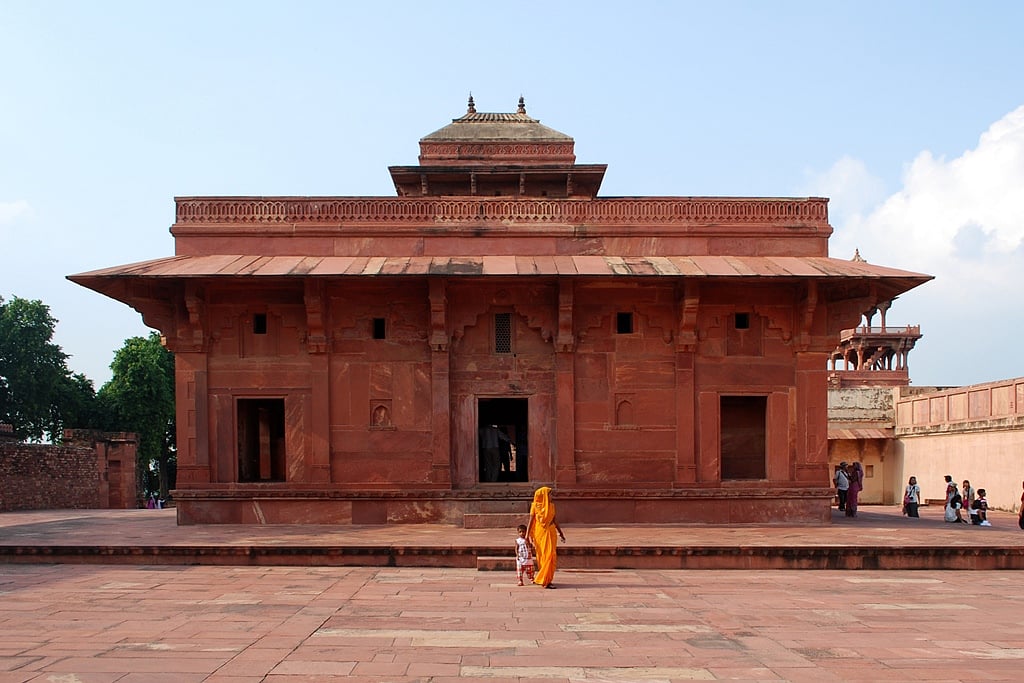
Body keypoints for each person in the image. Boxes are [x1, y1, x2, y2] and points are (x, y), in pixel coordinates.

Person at [527, 486, 565, 589]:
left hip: (550, 532)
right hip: (540, 533)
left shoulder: (551, 506)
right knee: (542, 556)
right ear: (544, 495)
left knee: (550, 555)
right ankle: (543, 578)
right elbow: (531, 521)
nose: (551, 496)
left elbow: (555, 520)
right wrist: (527, 535)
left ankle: (546, 580)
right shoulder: (534, 506)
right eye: (550, 494)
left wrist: (561, 533)